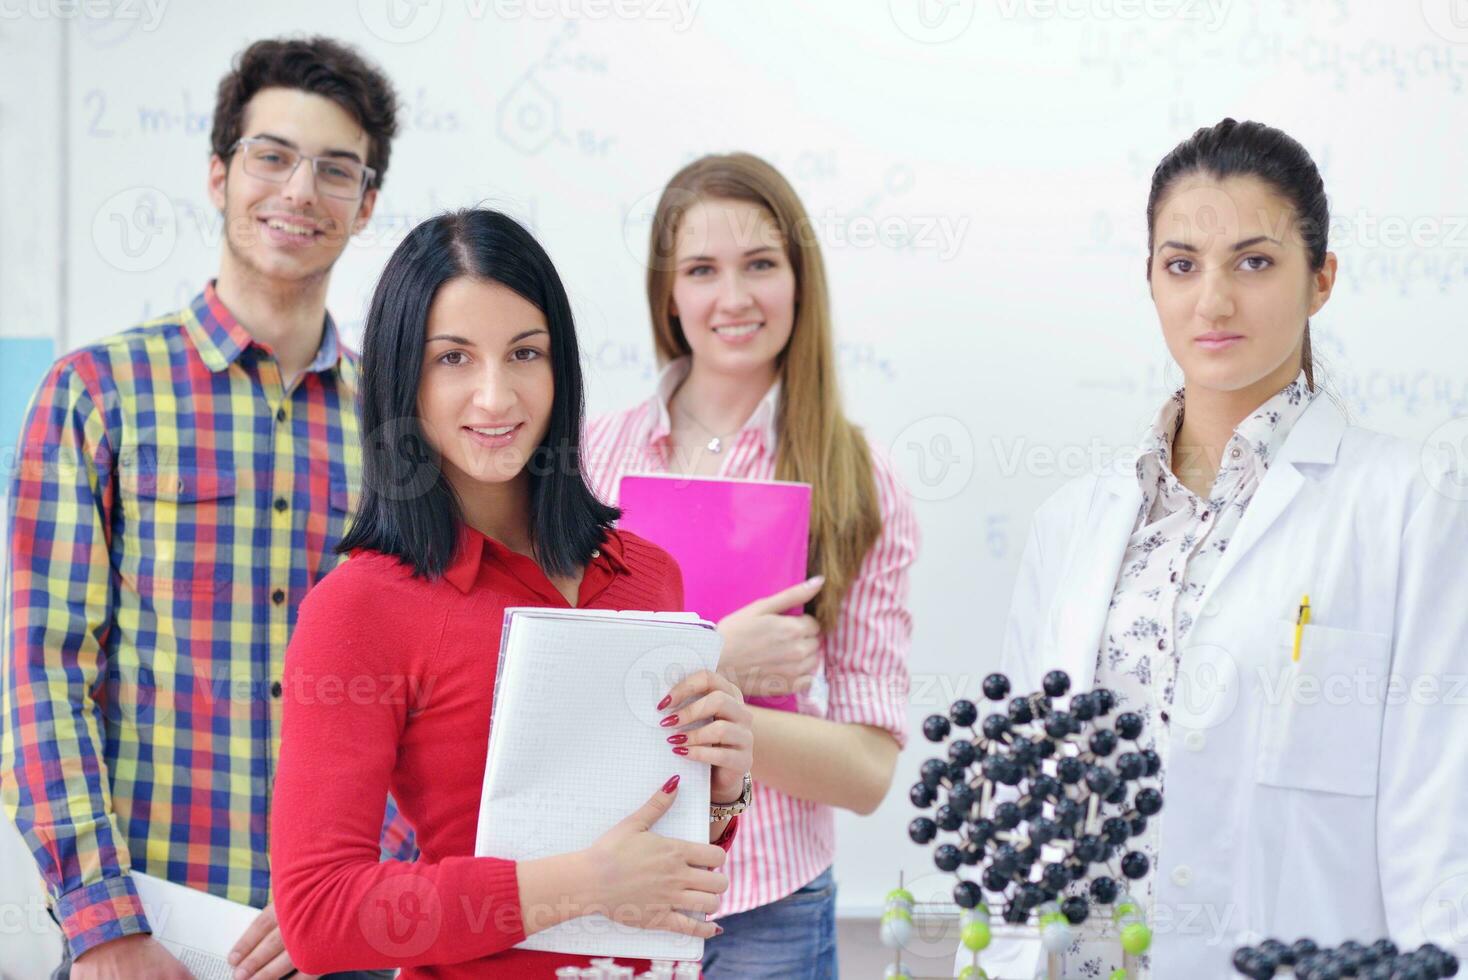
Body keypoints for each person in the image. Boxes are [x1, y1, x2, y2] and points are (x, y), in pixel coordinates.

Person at [991, 118, 1468, 976]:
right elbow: (1021, 808)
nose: (1212, 301)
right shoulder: (1074, 523)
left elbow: (1436, 820)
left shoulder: (1410, 507)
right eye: (1181, 265)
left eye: (1254, 261)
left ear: (1321, 280)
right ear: (1149, 279)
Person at [0, 37, 410, 980]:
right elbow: (42, 676)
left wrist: (371, 892)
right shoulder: (97, 393)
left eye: (335, 170)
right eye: (272, 157)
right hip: (148, 941)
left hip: (343, 944)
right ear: (219, 175)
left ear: (367, 203)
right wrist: (104, 926)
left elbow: (419, 691)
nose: (300, 191)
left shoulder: (398, 430)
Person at [268, 208, 754, 978]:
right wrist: (581, 885)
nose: (495, 397)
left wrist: (723, 791)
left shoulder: (649, 577)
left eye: (524, 353)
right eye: (453, 358)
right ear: (402, 378)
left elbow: (660, 856)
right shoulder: (359, 609)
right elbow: (321, 913)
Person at [585, 152, 919, 978]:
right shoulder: (589, 458)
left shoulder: (858, 479)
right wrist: (717, 661)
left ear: (800, 281)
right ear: (669, 293)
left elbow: (870, 770)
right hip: (606, 883)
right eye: (702, 269)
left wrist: (712, 708)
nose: (733, 299)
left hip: (769, 904)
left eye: (761, 265)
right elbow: (542, 702)